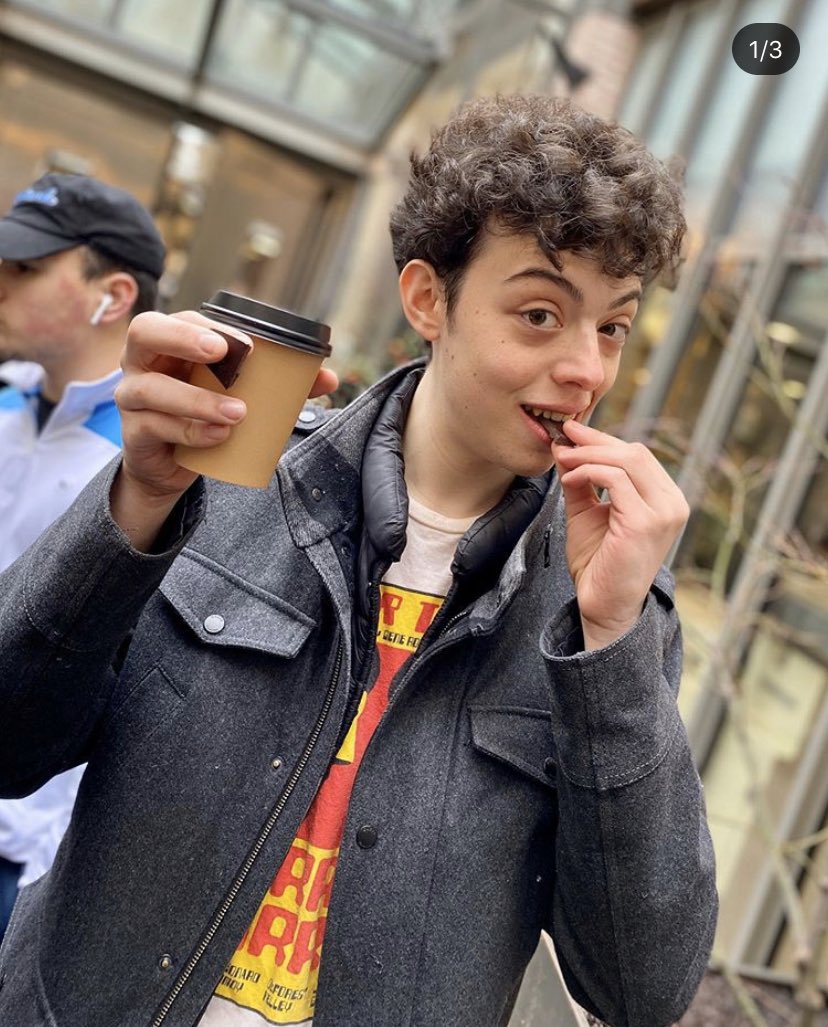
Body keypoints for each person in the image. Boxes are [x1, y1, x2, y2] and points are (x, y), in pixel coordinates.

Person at [0, 95, 717, 1027]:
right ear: (428, 298)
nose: (588, 368)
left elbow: (640, 985)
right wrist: (132, 502)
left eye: (613, 327)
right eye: (541, 313)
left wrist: (613, 646)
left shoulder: (608, 601)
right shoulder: (226, 477)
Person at [0, 171, 165, 941]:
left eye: (28, 267)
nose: (3, 281)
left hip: (33, 852)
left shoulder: (156, 467)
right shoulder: (7, 403)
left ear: (114, 294)